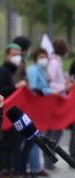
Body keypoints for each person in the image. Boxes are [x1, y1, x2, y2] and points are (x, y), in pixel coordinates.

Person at [0, 43, 28, 178]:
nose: (17, 57)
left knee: (12, 144)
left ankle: (10, 171)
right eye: (14, 54)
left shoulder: (15, 71)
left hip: (13, 113)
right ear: (7, 55)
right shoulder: (2, 71)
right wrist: (15, 87)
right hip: (5, 113)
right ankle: (2, 174)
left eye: (18, 54)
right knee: (4, 145)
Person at [24, 48, 52, 178]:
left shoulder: (41, 70)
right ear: (36, 57)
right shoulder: (33, 70)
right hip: (34, 106)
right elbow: (34, 88)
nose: (44, 59)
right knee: (34, 137)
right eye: (41, 56)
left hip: (40, 107)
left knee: (37, 136)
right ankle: (34, 167)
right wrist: (49, 91)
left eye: (45, 56)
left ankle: (37, 166)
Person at [43, 39, 69, 170]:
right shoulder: (54, 62)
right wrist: (63, 86)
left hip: (57, 98)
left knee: (54, 130)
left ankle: (49, 158)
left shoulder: (56, 61)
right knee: (55, 130)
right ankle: (49, 159)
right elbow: (50, 81)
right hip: (56, 99)